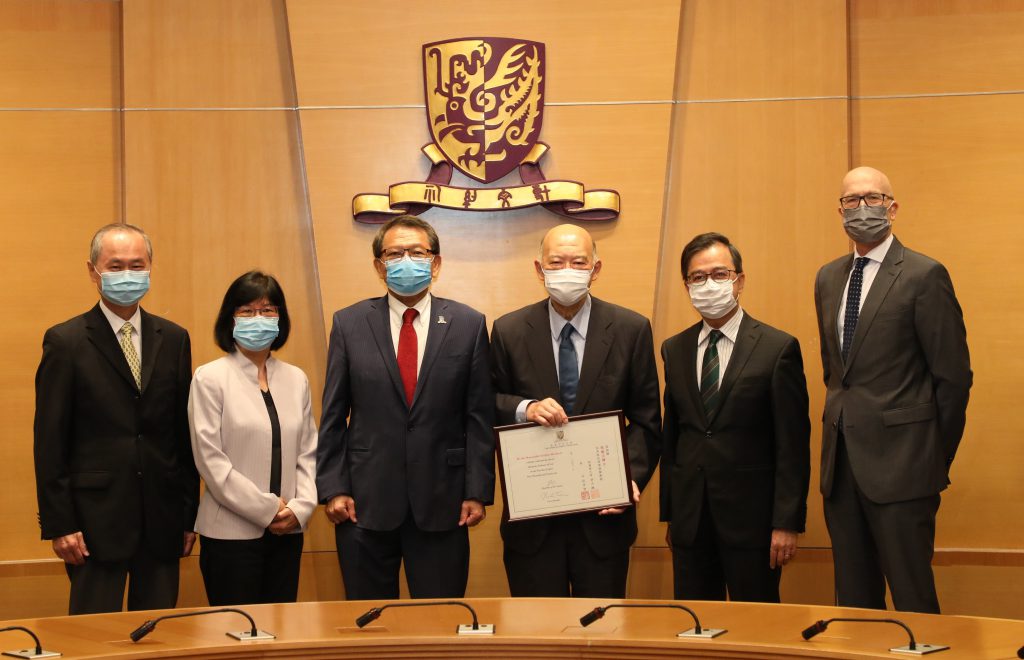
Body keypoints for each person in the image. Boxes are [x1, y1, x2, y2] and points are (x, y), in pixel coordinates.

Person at [814, 166, 972, 613]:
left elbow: (954, 377)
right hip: (841, 468)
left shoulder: (925, 275)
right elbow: (836, 372)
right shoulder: (828, 278)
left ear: (892, 206)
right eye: (851, 201)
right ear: (839, 210)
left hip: (905, 468)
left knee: (913, 598)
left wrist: (931, 455)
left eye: (872, 198)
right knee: (855, 603)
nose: (861, 209)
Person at [316, 215, 495, 600]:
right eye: (394, 254)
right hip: (363, 502)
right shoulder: (349, 324)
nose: (406, 261)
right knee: (370, 626)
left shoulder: (469, 324)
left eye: (417, 252)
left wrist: (476, 490)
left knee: (441, 624)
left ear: (437, 262)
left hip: (444, 502)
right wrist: (333, 488)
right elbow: (333, 413)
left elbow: (478, 417)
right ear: (379, 267)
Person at [33, 223, 198, 615]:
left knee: (159, 635)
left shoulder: (174, 338)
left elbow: (182, 434)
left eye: (136, 265)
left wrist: (189, 514)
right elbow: (50, 440)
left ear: (151, 267)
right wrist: (60, 523)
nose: (127, 274)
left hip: (162, 520)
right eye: (116, 265)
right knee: (93, 639)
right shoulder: (66, 341)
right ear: (93, 271)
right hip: (92, 525)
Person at [490, 223, 661, 598]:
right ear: (539, 269)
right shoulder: (509, 330)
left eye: (579, 262)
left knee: (601, 637)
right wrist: (525, 407)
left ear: (595, 269)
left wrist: (628, 477)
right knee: (536, 640)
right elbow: (486, 405)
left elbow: (647, 421)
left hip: (603, 522)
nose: (567, 270)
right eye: (556, 262)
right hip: (533, 525)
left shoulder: (631, 330)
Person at [660, 232, 810, 603]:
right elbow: (672, 437)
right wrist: (672, 516)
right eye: (698, 277)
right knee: (696, 628)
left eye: (719, 274)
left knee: (757, 629)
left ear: (739, 281)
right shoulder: (674, 349)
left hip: (755, 525)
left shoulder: (778, 349)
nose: (709, 284)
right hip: (691, 523)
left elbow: (793, 444)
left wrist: (786, 523)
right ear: (686, 286)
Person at [188, 271, 318, 606]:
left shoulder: (295, 379)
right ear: (229, 319)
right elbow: (211, 461)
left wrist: (300, 508)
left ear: (281, 318)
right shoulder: (210, 378)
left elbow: (307, 453)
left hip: (288, 533)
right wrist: (268, 509)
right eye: (246, 311)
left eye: (268, 310)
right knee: (236, 634)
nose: (258, 319)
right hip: (230, 536)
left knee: (281, 633)